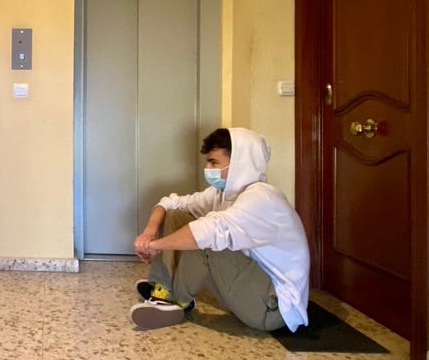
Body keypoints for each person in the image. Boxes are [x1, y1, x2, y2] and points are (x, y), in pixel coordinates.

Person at [129, 127, 310, 332]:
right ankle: (161, 289)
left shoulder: (263, 198)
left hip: (273, 307)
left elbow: (208, 232)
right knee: (177, 215)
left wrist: (155, 246)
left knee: (207, 240)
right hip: (250, 290)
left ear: (240, 163)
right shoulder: (222, 194)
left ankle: (176, 302)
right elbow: (170, 203)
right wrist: (149, 232)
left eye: (214, 162)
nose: (207, 168)